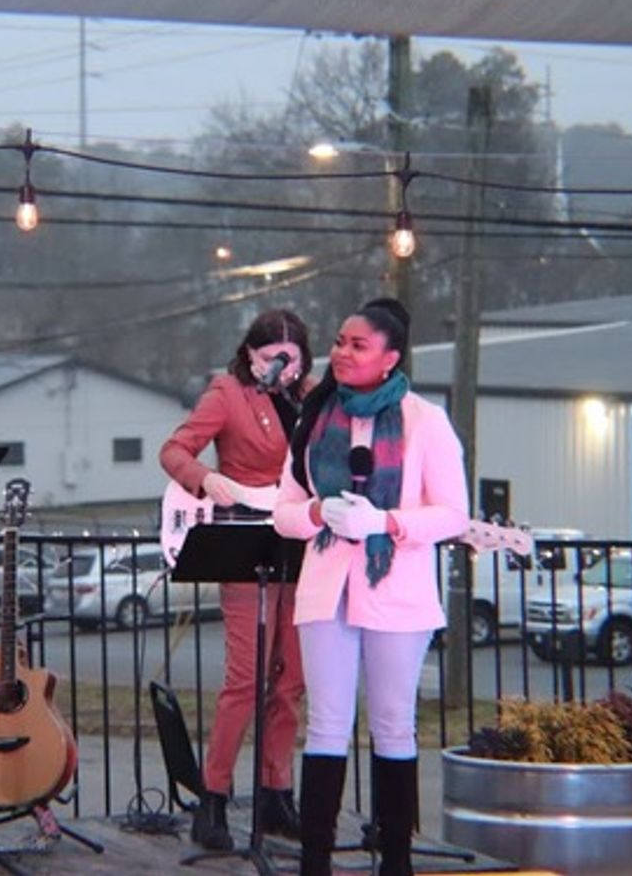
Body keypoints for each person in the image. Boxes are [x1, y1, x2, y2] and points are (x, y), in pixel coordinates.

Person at [272, 298, 468, 876]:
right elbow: (283, 509)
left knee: (392, 721)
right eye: (338, 341)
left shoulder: (424, 421)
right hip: (327, 584)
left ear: (390, 357)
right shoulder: (317, 415)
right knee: (327, 721)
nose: (341, 352)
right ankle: (315, 860)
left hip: (397, 589)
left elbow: (454, 514)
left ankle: (397, 859)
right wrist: (316, 511)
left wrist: (384, 522)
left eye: (357, 345)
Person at [159, 308, 315, 848]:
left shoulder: (309, 397)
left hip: (301, 547)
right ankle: (214, 798)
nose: (286, 369)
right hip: (245, 542)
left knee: (290, 681)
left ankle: (277, 793)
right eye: (275, 358)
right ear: (252, 354)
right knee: (245, 679)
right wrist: (206, 478)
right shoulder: (228, 393)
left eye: (294, 360)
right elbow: (174, 450)